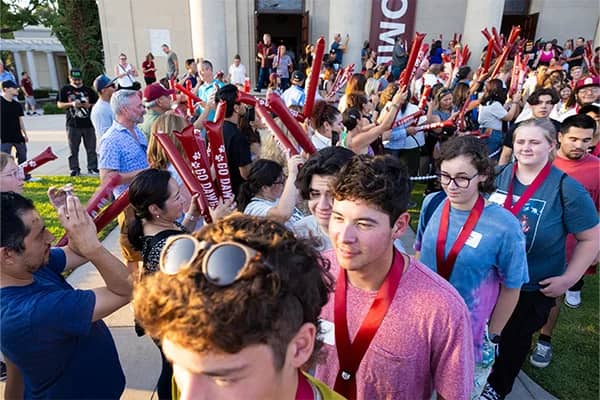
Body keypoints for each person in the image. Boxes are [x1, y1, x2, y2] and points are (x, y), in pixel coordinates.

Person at [313, 154, 474, 399]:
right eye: (338, 218)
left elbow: (452, 394)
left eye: (364, 224)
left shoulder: (441, 308)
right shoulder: (315, 273)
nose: (344, 236)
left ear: (399, 226)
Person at [133, 214, 344, 399]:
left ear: (299, 346)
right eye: (177, 364)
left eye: (223, 379)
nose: (187, 395)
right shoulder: (194, 379)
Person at [483, 119, 599, 399]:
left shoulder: (566, 187)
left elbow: (591, 237)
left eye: (535, 142)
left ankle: (496, 389)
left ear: (551, 145)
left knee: (511, 344)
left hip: (531, 287)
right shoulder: (496, 176)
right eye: (521, 141)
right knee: (483, 338)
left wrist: (569, 279)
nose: (526, 148)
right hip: (488, 281)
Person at [415, 136, 528, 397]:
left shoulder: (504, 226)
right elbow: (420, 253)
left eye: (462, 177)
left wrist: (493, 335)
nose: (451, 186)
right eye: (445, 176)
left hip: (470, 335)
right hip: (425, 324)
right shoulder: (432, 204)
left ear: (483, 175)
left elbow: (512, 286)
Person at [0, 191, 131, 398]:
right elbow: (126, 290)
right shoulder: (33, 313)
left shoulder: (25, 268)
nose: (51, 237)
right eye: (40, 234)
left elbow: (75, 253)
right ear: (7, 254)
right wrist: (93, 247)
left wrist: (70, 220)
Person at [528, 114, 599, 369]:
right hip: (528, 244)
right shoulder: (538, 161)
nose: (579, 145)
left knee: (553, 294)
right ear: (559, 137)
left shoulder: (598, 170)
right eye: (573, 139)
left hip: (568, 251)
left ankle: (545, 340)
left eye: (586, 140)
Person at [127, 169, 202, 399]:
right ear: (155, 209)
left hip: (161, 323)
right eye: (177, 197)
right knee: (176, 373)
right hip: (175, 326)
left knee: (169, 367)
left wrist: (190, 216)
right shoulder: (169, 247)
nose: (182, 200)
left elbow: (178, 235)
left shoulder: (152, 229)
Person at [99, 89, 149, 275]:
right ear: (125, 110)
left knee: (149, 252)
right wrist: (144, 173)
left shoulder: (137, 131)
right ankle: (137, 298)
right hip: (129, 206)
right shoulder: (111, 139)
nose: (143, 110)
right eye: (139, 107)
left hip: (146, 202)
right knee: (134, 256)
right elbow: (106, 178)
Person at [294, 147, 354, 250]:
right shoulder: (298, 235)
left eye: (333, 196)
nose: (322, 206)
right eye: (315, 194)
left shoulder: (374, 239)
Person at [238, 157, 305, 230]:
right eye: (281, 182)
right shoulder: (254, 208)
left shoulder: (276, 197)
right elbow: (282, 215)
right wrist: (292, 174)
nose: (285, 184)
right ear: (265, 188)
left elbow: (302, 195)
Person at [498, 88, 561, 166]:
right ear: (531, 106)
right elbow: (505, 155)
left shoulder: (560, 127)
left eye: (548, 103)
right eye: (539, 103)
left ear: (553, 106)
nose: (543, 106)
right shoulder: (517, 127)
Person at [57, 68, 99, 176]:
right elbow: (59, 104)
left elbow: (97, 104)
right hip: (73, 124)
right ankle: (74, 169)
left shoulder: (88, 90)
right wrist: (71, 104)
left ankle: (92, 167)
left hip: (88, 124)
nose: (77, 81)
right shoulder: (65, 90)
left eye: (79, 79)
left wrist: (88, 105)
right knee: (73, 149)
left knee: (91, 148)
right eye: (75, 79)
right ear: (70, 78)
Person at [214, 84, 252, 197]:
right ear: (236, 108)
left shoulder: (212, 132)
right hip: (237, 195)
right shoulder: (237, 136)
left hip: (219, 193)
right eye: (242, 101)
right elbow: (246, 173)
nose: (245, 105)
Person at [477, 79, 521, 159]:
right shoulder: (494, 104)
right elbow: (509, 117)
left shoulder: (487, 102)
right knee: (492, 159)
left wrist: (511, 102)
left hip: (488, 132)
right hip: (494, 134)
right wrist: (515, 102)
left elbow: (508, 114)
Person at [0, 80, 28, 171]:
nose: (17, 89)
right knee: (4, 160)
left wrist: (25, 135)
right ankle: (4, 178)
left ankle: (24, 175)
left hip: (18, 136)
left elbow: (20, 120)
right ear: (6, 89)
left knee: (23, 156)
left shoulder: (17, 105)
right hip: (4, 137)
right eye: (14, 88)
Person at [90, 74, 116, 139]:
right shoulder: (100, 110)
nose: (115, 88)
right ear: (103, 90)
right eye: (112, 86)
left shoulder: (112, 103)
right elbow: (106, 136)